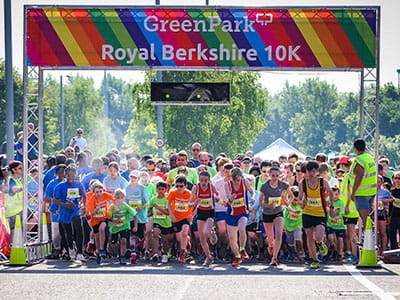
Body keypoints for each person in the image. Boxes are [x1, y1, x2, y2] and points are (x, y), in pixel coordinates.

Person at [299, 160, 334, 269]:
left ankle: (320, 243)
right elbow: (300, 197)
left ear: (317, 171)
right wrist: (301, 202)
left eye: (314, 171)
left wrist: (331, 207)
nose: (311, 174)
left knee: (318, 236)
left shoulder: (323, 182)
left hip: (320, 213)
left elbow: (331, 193)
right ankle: (315, 259)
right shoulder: (302, 183)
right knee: (309, 237)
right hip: (307, 212)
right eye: (309, 171)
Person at [259, 166, 292, 266]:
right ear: (269, 175)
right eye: (273, 175)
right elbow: (260, 202)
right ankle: (270, 245)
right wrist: (268, 205)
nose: (275, 178)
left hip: (278, 212)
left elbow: (292, 196)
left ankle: (274, 258)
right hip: (267, 213)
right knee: (270, 239)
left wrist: (287, 203)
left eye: (277, 176)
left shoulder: (283, 185)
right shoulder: (264, 186)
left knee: (279, 234)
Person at [52, 165, 86, 261]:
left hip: (75, 210)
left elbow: (84, 196)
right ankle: (71, 248)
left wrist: (84, 206)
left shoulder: (79, 185)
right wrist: (64, 205)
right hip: (64, 212)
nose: (71, 177)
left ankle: (80, 252)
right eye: (69, 175)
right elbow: (54, 200)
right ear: (65, 175)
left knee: (79, 228)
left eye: (73, 175)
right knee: (68, 232)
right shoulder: (60, 186)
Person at [224, 167, 254, 267]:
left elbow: (251, 191)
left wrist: (252, 198)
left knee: (242, 229)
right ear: (231, 179)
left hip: (243, 211)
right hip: (232, 213)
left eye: (239, 179)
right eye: (235, 180)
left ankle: (242, 249)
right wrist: (231, 198)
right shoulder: (227, 185)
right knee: (232, 239)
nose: (238, 182)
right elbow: (228, 198)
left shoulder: (244, 181)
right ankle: (237, 257)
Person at [189, 171, 219, 265]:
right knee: (202, 238)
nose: (204, 182)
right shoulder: (196, 188)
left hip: (210, 212)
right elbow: (189, 203)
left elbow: (217, 195)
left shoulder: (211, 187)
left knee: (206, 232)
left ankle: (212, 232)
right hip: (200, 213)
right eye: (201, 180)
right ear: (199, 180)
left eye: (206, 180)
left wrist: (216, 198)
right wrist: (195, 203)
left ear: (209, 180)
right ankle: (209, 257)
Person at [348, 139, 377, 228]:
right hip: (371, 191)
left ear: (355, 148)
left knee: (365, 220)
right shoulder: (369, 158)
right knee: (367, 219)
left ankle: (369, 240)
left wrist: (353, 192)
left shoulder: (359, 160)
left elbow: (359, 176)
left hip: (362, 193)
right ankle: (369, 237)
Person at [125, 170, 150, 263]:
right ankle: (133, 253)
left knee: (140, 236)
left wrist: (142, 207)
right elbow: (125, 200)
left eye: (135, 177)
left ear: (138, 179)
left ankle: (139, 249)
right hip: (131, 215)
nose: (133, 179)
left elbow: (148, 201)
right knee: (132, 234)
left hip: (141, 216)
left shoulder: (143, 189)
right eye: (131, 177)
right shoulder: (127, 188)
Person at [108, 188, 138, 265]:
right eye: (118, 198)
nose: (120, 200)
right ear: (115, 198)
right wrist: (113, 220)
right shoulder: (111, 207)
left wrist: (135, 226)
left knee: (124, 241)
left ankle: (122, 257)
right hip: (114, 227)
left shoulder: (126, 206)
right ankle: (120, 250)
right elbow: (108, 217)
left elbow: (135, 215)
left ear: (124, 198)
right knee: (113, 244)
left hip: (124, 226)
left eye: (122, 198)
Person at [86, 180, 113, 264]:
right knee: (97, 237)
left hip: (104, 217)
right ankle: (98, 252)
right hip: (95, 219)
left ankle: (102, 249)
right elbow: (91, 213)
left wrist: (113, 205)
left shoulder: (105, 195)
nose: (99, 193)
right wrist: (96, 210)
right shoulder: (92, 200)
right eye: (97, 192)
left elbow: (114, 198)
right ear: (93, 192)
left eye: (100, 191)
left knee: (102, 228)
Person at [168, 175, 193, 262]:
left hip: (185, 217)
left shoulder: (189, 194)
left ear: (186, 186)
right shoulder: (173, 193)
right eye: (177, 186)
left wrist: (192, 215)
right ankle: (187, 242)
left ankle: (182, 253)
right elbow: (168, 203)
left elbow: (196, 204)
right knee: (179, 238)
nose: (179, 188)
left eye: (181, 186)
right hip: (176, 217)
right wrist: (171, 214)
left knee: (185, 232)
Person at [339, 156, 359, 263]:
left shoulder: (349, 176)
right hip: (351, 208)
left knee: (352, 233)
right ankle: (352, 253)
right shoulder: (350, 176)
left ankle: (355, 254)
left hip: (350, 209)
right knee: (350, 233)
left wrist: (346, 206)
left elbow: (349, 192)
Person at [45, 164, 67, 259]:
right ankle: (57, 250)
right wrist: (55, 200)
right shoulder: (52, 183)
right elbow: (46, 197)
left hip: (67, 212)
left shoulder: (70, 182)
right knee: (56, 232)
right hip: (56, 212)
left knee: (67, 232)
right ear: (56, 173)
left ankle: (67, 250)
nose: (62, 174)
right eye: (60, 172)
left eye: (64, 172)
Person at [149, 181, 173, 263]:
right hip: (157, 221)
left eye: (162, 189)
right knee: (155, 234)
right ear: (156, 190)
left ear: (166, 190)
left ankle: (165, 254)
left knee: (165, 240)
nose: (161, 191)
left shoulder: (167, 200)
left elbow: (168, 212)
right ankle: (155, 253)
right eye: (159, 189)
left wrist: (158, 208)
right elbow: (150, 210)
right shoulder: (153, 200)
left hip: (166, 222)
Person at [5, 160, 24, 245]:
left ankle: (17, 243)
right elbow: (13, 189)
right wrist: (23, 188)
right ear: (13, 170)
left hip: (19, 209)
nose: (22, 170)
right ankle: (9, 248)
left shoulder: (18, 180)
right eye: (20, 168)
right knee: (13, 231)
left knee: (16, 230)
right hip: (12, 210)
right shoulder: (11, 180)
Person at [284, 187, 304, 261]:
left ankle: (301, 251)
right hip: (288, 225)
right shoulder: (288, 203)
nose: (296, 202)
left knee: (298, 238)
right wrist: (294, 211)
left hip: (297, 224)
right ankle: (295, 254)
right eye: (294, 200)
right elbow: (287, 208)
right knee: (291, 243)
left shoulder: (301, 205)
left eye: (298, 200)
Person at [326, 187, 345, 261]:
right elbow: (327, 209)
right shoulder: (328, 200)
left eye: (336, 194)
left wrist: (338, 217)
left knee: (340, 239)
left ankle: (339, 253)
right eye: (332, 194)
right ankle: (332, 246)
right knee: (330, 237)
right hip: (330, 224)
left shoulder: (341, 202)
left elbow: (341, 213)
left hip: (339, 224)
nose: (334, 196)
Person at [389, 172, 400, 250]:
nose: (398, 180)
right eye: (396, 178)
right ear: (393, 179)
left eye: (399, 178)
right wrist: (388, 216)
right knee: (392, 235)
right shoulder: (390, 191)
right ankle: (393, 251)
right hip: (393, 216)